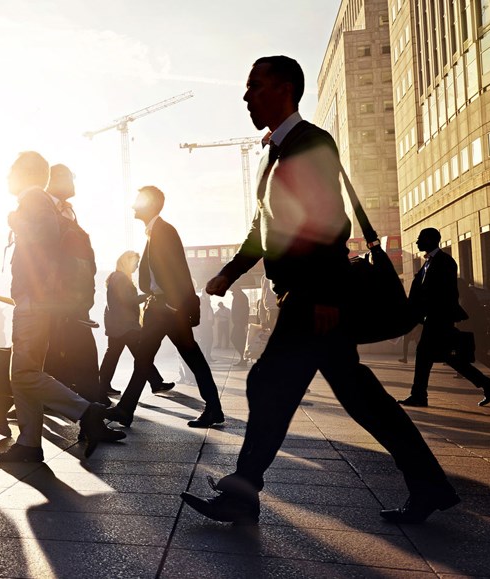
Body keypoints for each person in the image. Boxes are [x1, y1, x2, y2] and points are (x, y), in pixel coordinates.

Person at [182, 56, 458, 526]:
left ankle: (243, 492)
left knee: (268, 383)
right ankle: (429, 485)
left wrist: (328, 294)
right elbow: (261, 229)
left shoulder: (312, 142)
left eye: (256, 86)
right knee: (358, 397)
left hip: (314, 297)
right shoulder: (276, 154)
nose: (247, 96)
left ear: (285, 89)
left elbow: (330, 221)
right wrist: (230, 272)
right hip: (305, 296)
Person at [0, 151, 120, 463]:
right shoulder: (40, 200)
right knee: (25, 372)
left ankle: (86, 411)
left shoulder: (33, 197)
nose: (7, 177)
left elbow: (44, 237)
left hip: (34, 302)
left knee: (22, 374)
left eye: (10, 171)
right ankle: (29, 443)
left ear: (25, 174)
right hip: (37, 300)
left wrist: (16, 221)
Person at [108, 186, 224, 429]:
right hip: (161, 309)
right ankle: (126, 410)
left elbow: (179, 269)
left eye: (138, 201)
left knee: (187, 356)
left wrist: (174, 305)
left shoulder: (164, 231)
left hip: (168, 310)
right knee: (148, 358)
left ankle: (213, 408)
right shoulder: (154, 233)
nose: (133, 206)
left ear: (150, 204)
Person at [399, 228, 490, 408]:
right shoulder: (428, 264)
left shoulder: (445, 262)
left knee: (425, 354)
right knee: (447, 358)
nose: (417, 242)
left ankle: (419, 396)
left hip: (439, 318)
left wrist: (426, 309)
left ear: (430, 240)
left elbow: (443, 292)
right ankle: (487, 384)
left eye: (420, 239)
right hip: (433, 318)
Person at [43, 164, 106, 404]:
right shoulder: (45, 208)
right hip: (57, 300)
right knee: (76, 354)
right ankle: (93, 407)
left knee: (62, 355)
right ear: (56, 178)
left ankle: (91, 404)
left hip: (74, 300)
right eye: (71, 178)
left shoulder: (68, 211)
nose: (73, 184)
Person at [99, 250, 171, 395]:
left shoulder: (115, 277)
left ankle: (102, 386)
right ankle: (156, 383)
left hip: (117, 324)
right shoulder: (121, 278)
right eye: (136, 263)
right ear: (127, 262)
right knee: (141, 354)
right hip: (126, 325)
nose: (137, 267)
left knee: (113, 355)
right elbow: (127, 300)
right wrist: (147, 295)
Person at [230, 288, 250, 367]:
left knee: (235, 339)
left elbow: (242, 311)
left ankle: (243, 358)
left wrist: (239, 322)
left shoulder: (240, 296)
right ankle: (243, 358)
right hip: (239, 323)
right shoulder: (240, 296)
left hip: (239, 323)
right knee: (239, 340)